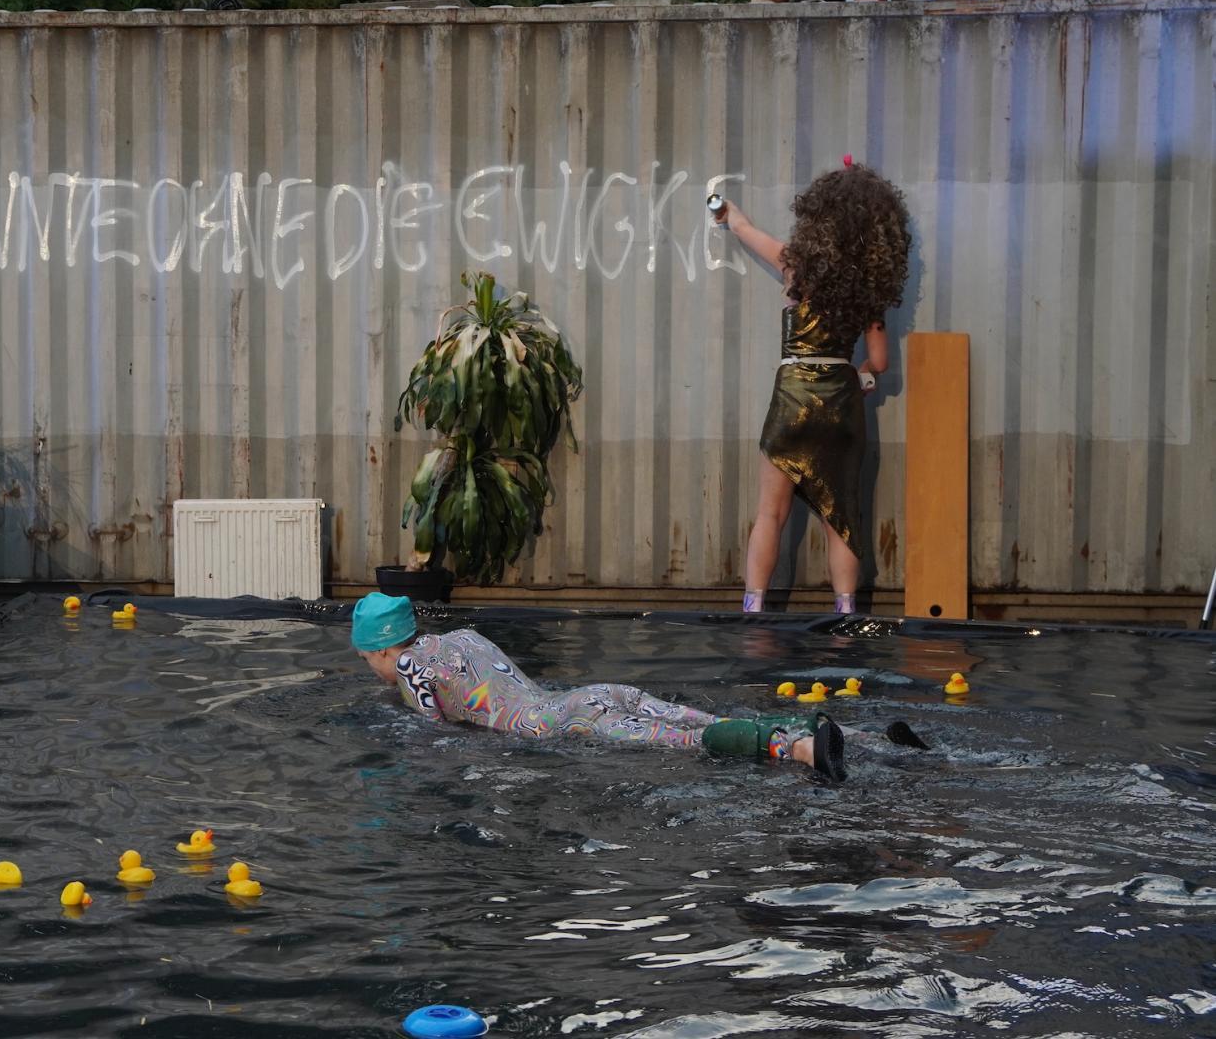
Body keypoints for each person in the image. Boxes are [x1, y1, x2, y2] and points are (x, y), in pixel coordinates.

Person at [350, 592, 856, 780]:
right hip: (592, 695)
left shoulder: (411, 668)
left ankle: (801, 750)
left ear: (380, 650)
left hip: (564, 722)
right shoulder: (463, 636)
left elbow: (433, 737)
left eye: (367, 659)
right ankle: (829, 733)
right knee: (699, 721)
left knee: (688, 743)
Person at [714, 161, 912, 615]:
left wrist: (727, 212)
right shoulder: (869, 289)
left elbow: (744, 229)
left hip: (793, 397)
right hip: (840, 405)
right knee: (840, 520)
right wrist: (860, 377)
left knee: (771, 514)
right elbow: (879, 362)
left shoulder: (793, 265)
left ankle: (753, 608)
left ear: (818, 218)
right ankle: (845, 612)